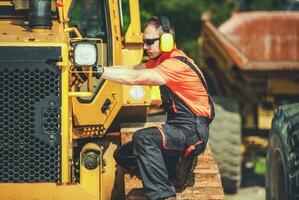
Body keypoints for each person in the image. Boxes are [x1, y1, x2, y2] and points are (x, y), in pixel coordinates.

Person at [100, 16, 214, 200]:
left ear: (166, 40)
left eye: (149, 42)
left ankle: (164, 195)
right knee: (123, 155)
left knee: (143, 138)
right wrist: (97, 69)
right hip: (178, 129)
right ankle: (175, 169)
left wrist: (100, 73)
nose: (145, 47)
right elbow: (133, 70)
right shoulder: (162, 61)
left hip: (191, 131)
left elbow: (135, 79)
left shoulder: (174, 64)